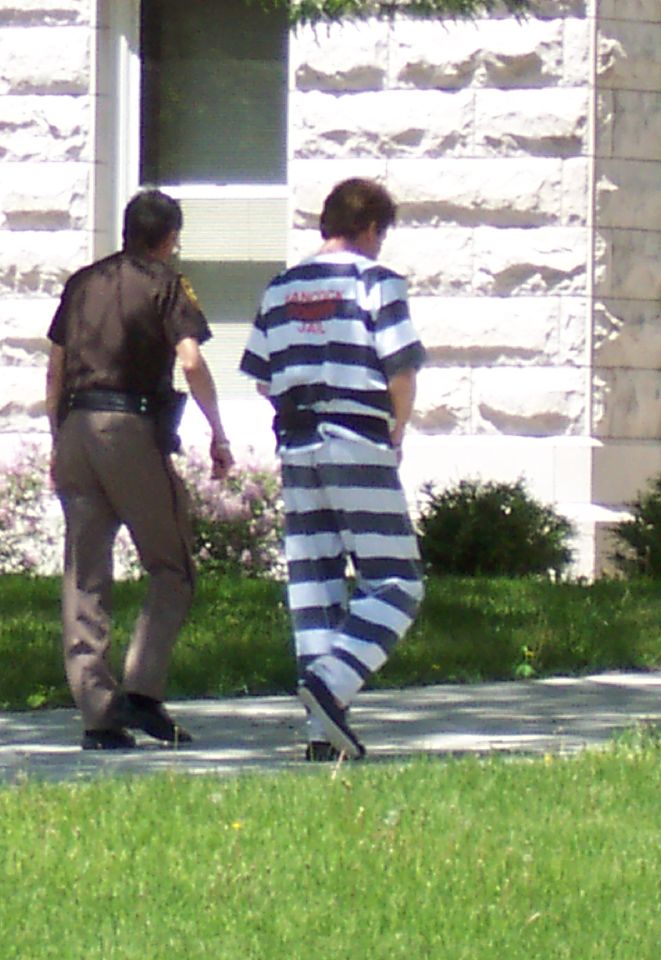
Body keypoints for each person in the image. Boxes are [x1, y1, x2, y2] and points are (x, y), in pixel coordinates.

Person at [239, 178, 426, 761]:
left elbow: (264, 375)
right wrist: (395, 430)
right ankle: (335, 681)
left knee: (314, 585)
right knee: (396, 581)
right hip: (357, 438)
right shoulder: (376, 282)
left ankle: (323, 735)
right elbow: (399, 367)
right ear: (370, 228)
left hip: (296, 443)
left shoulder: (281, 287)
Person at [46, 189, 233, 751]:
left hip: (76, 427)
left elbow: (55, 370)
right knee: (171, 565)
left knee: (85, 574)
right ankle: (144, 693)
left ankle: (98, 716)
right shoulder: (166, 284)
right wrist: (218, 430)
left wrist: (58, 438)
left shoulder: (81, 283)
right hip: (130, 430)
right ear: (170, 238)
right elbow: (192, 360)